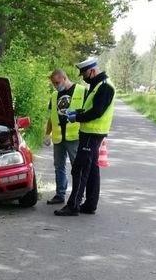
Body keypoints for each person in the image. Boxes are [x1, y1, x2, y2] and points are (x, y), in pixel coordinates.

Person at [54, 56, 115, 217]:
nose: (84, 78)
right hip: (91, 133)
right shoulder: (97, 85)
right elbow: (90, 108)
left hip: (91, 134)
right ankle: (89, 204)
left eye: (85, 74)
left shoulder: (105, 87)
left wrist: (77, 117)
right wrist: (78, 112)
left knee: (80, 169)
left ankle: (73, 205)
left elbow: (97, 112)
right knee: (92, 169)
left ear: (93, 71)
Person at [43, 69, 87, 204]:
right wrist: (47, 134)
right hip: (58, 137)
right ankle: (60, 194)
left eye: (57, 82)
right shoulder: (55, 95)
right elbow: (52, 117)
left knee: (77, 167)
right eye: (53, 83)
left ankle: (78, 196)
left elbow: (87, 113)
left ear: (64, 77)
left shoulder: (81, 91)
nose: (56, 85)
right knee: (59, 167)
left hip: (75, 137)